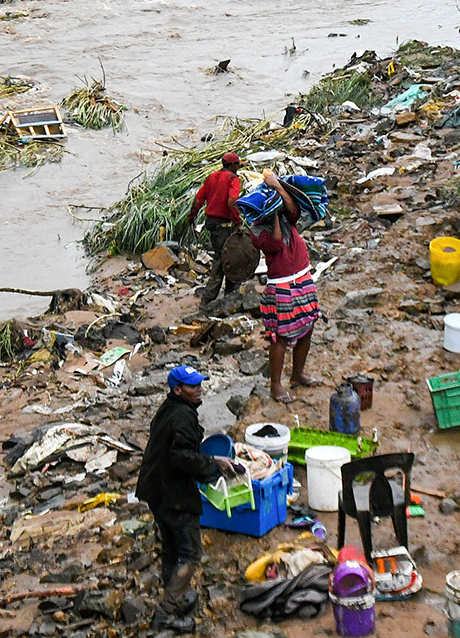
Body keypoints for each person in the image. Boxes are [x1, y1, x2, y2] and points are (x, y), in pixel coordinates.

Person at [137, 365, 236, 634]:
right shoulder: (183, 417)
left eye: (200, 384)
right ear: (178, 390)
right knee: (191, 553)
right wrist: (213, 462)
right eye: (193, 386)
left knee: (171, 546)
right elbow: (180, 457)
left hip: (154, 489)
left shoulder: (168, 409)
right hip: (173, 495)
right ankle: (165, 613)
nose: (199, 390)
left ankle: (176, 596)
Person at [249, 172, 321, 403]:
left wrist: (278, 187)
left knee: (308, 327)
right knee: (279, 337)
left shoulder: (287, 217)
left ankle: (297, 374)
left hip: (302, 276)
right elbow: (277, 243)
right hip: (281, 285)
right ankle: (276, 385)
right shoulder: (257, 230)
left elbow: (294, 210)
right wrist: (273, 216)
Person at [187, 152, 244, 303]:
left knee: (225, 257)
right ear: (233, 165)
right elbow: (232, 202)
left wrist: (191, 218)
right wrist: (238, 223)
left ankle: (229, 294)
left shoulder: (211, 177)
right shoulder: (233, 179)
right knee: (223, 259)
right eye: (238, 165)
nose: (238, 168)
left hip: (212, 224)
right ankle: (210, 298)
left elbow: (197, 200)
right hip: (225, 225)